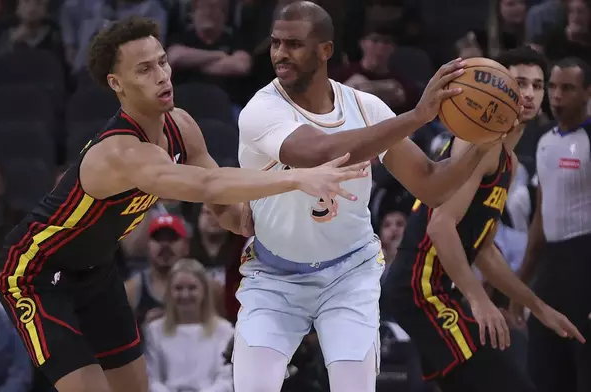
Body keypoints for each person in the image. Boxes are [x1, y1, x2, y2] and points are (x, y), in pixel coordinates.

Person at [0, 16, 372, 392]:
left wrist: (264, 221)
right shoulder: (120, 153)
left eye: (162, 61)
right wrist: (297, 178)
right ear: (116, 83)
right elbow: (208, 181)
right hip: (36, 273)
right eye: (144, 69)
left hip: (96, 269)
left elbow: (222, 203)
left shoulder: (180, 125)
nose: (161, 75)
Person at [233, 2, 505, 392]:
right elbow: (319, 151)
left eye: (293, 44)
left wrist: (482, 140)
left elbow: (432, 185)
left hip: (348, 273)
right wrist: (416, 116)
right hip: (275, 275)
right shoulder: (261, 109)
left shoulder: (366, 107)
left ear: (325, 50)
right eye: (276, 43)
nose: (280, 54)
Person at [382, 46, 585, 392]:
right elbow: (440, 226)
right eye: (519, 83)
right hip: (418, 290)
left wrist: (537, 306)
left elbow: (485, 250)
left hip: (435, 291)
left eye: (538, 85)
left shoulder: (510, 160)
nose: (529, 94)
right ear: (498, 87)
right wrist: (478, 299)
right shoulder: (480, 142)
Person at [511, 56, 591, 392]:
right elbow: (540, 221)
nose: (557, 96)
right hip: (551, 267)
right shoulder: (545, 142)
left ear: (588, 92)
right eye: (553, 87)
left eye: (568, 88)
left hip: (584, 260)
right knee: (542, 370)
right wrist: (520, 290)